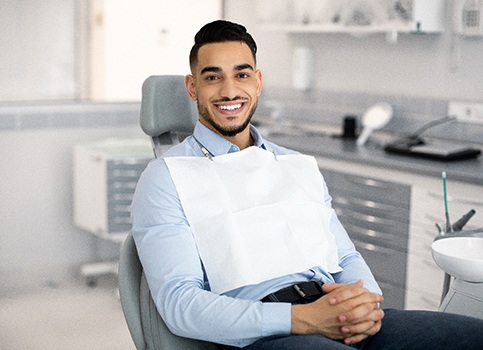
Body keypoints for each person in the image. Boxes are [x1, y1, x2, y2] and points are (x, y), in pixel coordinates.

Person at [131, 20, 483, 349]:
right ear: (192, 87)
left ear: (257, 82)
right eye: (212, 78)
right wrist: (300, 320)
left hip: (338, 312)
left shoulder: (296, 164)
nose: (229, 90)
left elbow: (345, 256)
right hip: (268, 334)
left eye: (242, 74)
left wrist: (365, 303)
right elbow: (180, 302)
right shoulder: (166, 177)